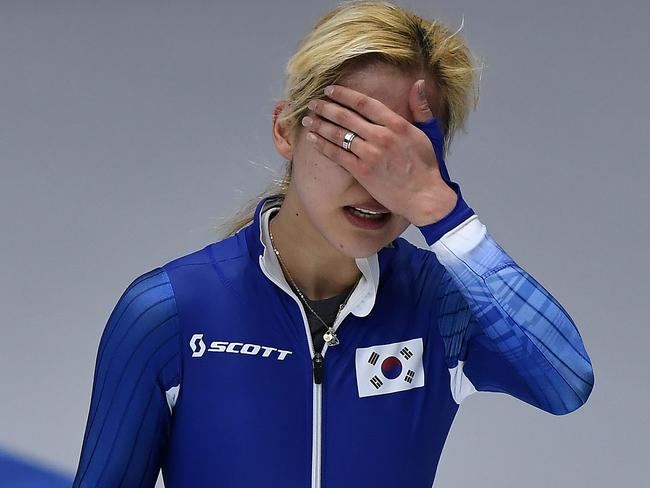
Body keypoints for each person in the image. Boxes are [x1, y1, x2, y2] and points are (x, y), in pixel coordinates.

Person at [72, 1, 595, 487]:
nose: (378, 181)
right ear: (286, 130)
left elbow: (564, 382)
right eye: (355, 138)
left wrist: (442, 211)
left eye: (404, 153)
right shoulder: (169, 312)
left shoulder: (442, 306)